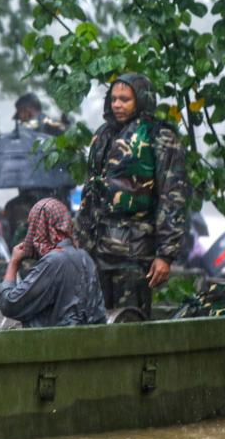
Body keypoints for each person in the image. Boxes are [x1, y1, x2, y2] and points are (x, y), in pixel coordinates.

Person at [75, 73, 190, 317]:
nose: (117, 104)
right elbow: (89, 192)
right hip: (96, 251)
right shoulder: (103, 135)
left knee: (129, 324)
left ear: (141, 100)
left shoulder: (160, 137)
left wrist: (165, 255)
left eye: (124, 99)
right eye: (114, 98)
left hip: (134, 254)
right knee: (94, 323)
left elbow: (173, 197)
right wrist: (79, 240)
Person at [0, 198, 106, 328]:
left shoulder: (53, 261)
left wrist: (14, 263)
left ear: (43, 226)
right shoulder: (84, 256)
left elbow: (10, 305)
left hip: (59, 343)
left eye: (34, 226)